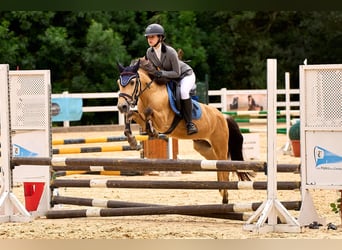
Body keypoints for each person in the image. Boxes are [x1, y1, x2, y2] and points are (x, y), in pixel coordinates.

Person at [144, 23, 198, 135]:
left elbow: (177, 73)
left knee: (183, 92)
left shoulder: (170, 52)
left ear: (160, 37)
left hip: (185, 75)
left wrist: (161, 73)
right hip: (169, 77)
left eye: (152, 37)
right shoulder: (149, 52)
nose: (150, 39)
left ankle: (189, 124)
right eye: (148, 37)